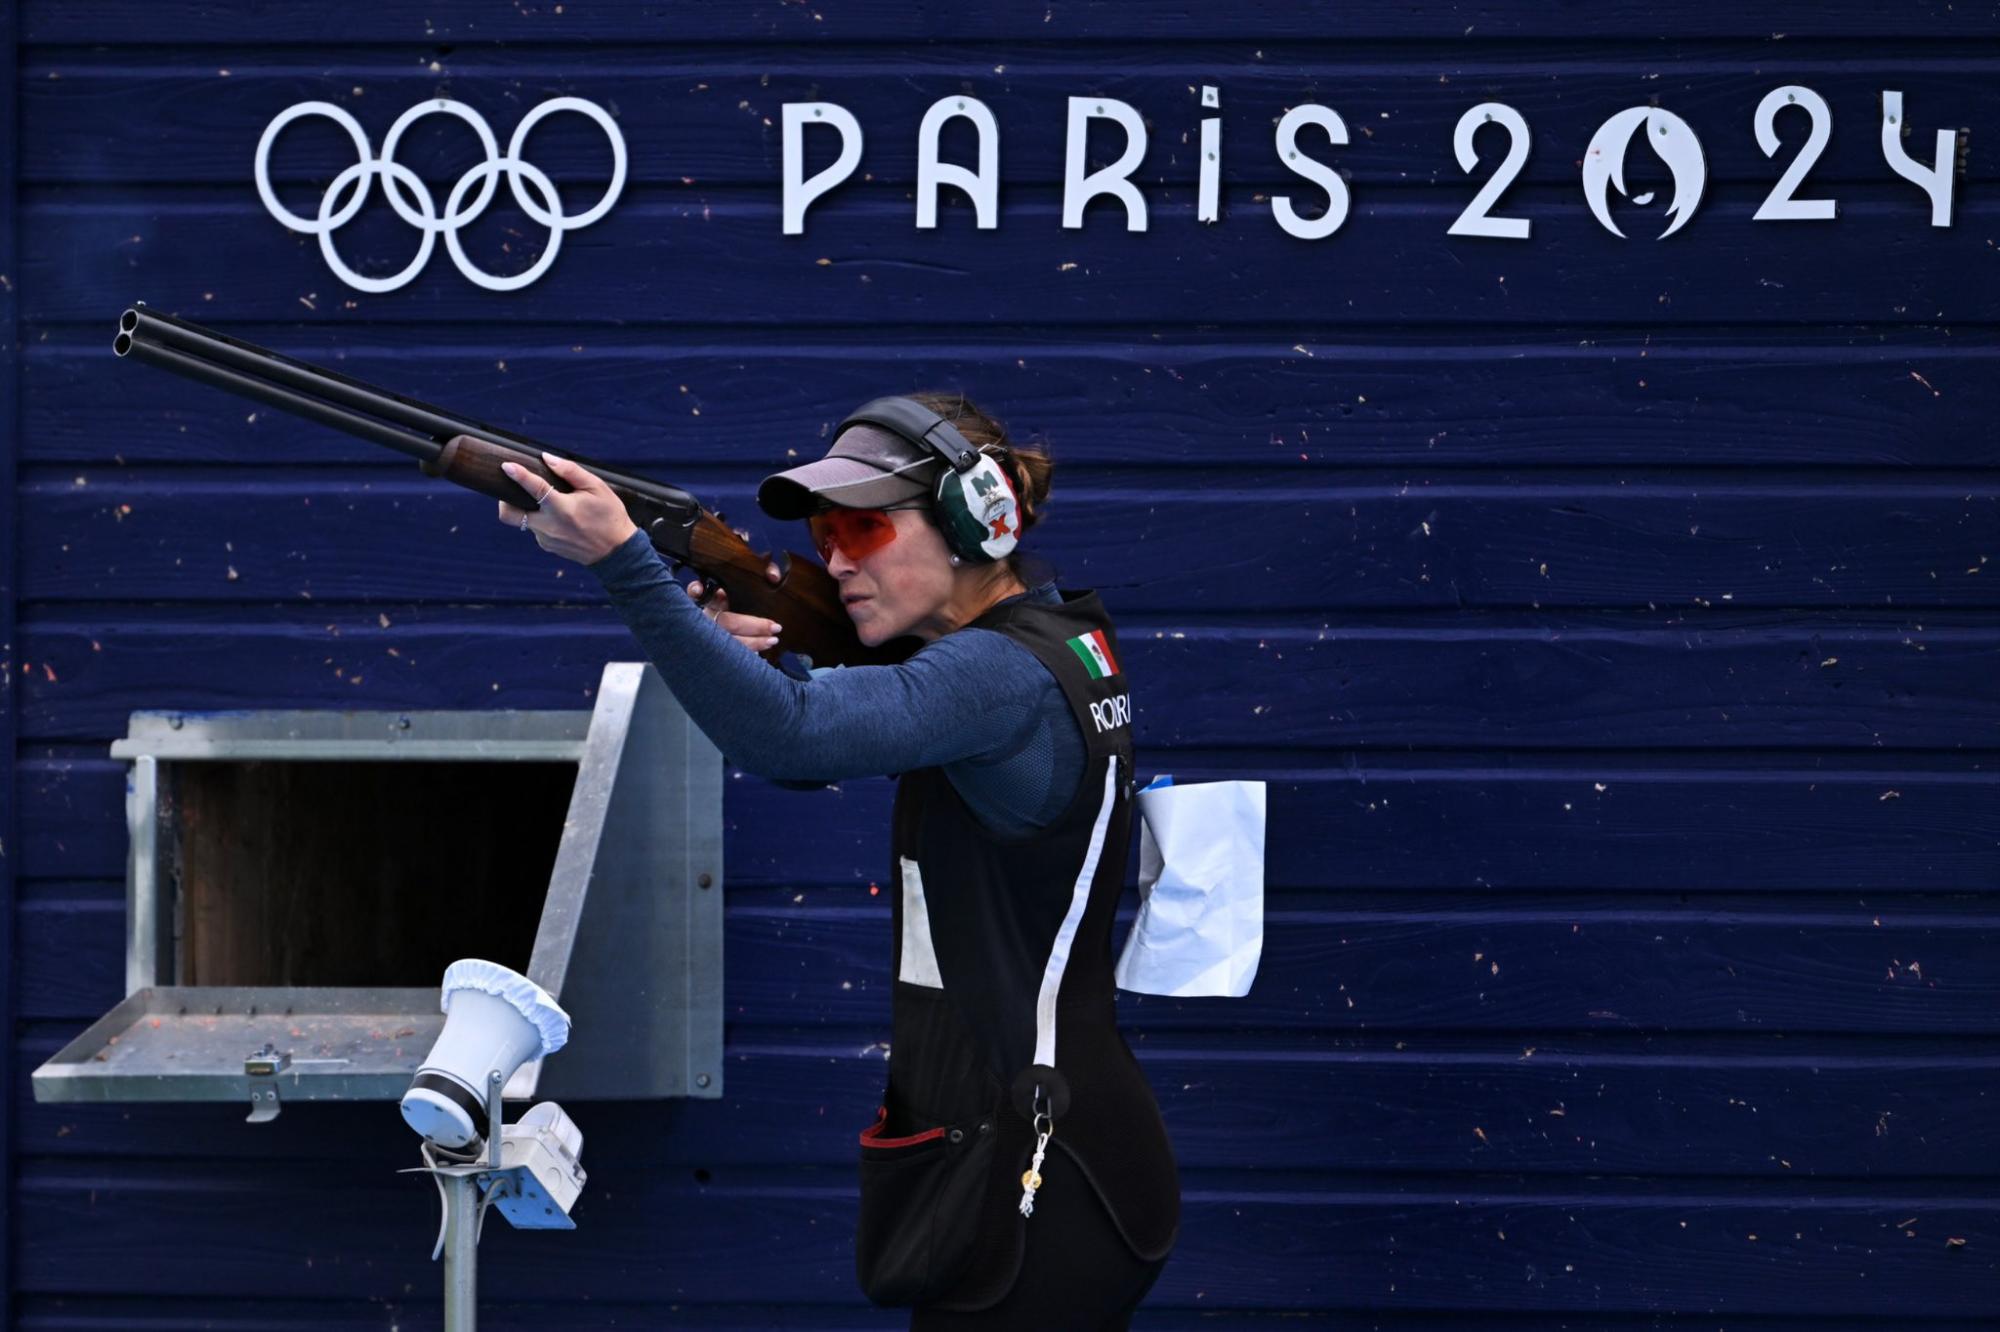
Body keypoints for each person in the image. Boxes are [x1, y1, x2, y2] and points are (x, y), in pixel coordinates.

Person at [496, 393, 1178, 1328]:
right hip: (1057, 1142)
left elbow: (799, 741)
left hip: (1036, 1176)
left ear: (978, 518)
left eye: (866, 526)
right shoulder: (1057, 642)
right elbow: (831, 726)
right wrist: (748, 652)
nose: (839, 560)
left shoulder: (996, 676)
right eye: (825, 533)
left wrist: (627, 565)